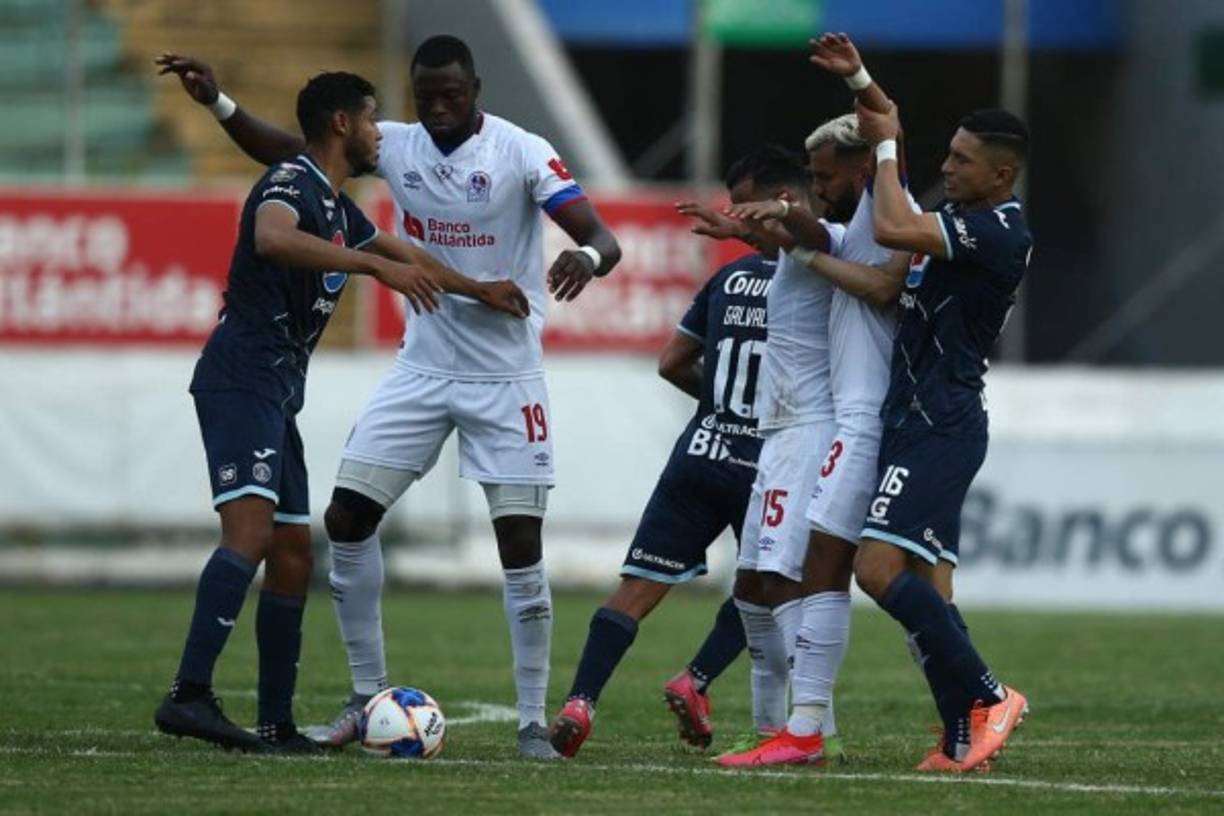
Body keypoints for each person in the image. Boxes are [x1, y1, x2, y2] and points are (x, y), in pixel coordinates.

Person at [156, 34, 622, 759]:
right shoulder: (390, 147)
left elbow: (599, 235)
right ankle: (362, 694)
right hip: (421, 369)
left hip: (508, 379)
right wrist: (219, 103)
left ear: (476, 89)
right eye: (423, 96)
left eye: (451, 95)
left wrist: (584, 259)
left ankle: (533, 720)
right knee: (344, 517)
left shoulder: (522, 149)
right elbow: (292, 150)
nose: (436, 108)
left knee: (519, 544)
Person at [714, 33, 919, 767]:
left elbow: (883, 128)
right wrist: (765, 227)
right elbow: (807, 230)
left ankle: (808, 726)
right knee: (790, 580)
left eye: (825, 175)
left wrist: (860, 78)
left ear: (862, 169)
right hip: (817, 424)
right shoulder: (847, 220)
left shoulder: (887, 213)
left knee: (821, 575)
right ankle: (802, 725)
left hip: (843, 420)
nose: (816, 185)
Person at [547, 148, 788, 758]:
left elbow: (670, 362)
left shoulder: (728, 279)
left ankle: (581, 700)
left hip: (701, 449)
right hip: (769, 460)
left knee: (636, 587)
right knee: (767, 590)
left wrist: (723, 407)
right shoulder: (812, 279)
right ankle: (698, 680)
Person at [851, 91, 1033, 771]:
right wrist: (802, 246)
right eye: (947, 154)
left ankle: (993, 695)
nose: (948, 167)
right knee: (933, 591)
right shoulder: (958, 216)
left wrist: (888, 141)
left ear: (1001, 174)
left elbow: (894, 226)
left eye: (962, 160)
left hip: (943, 421)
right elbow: (882, 284)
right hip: (910, 416)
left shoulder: (1002, 230)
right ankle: (961, 742)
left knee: (875, 569)